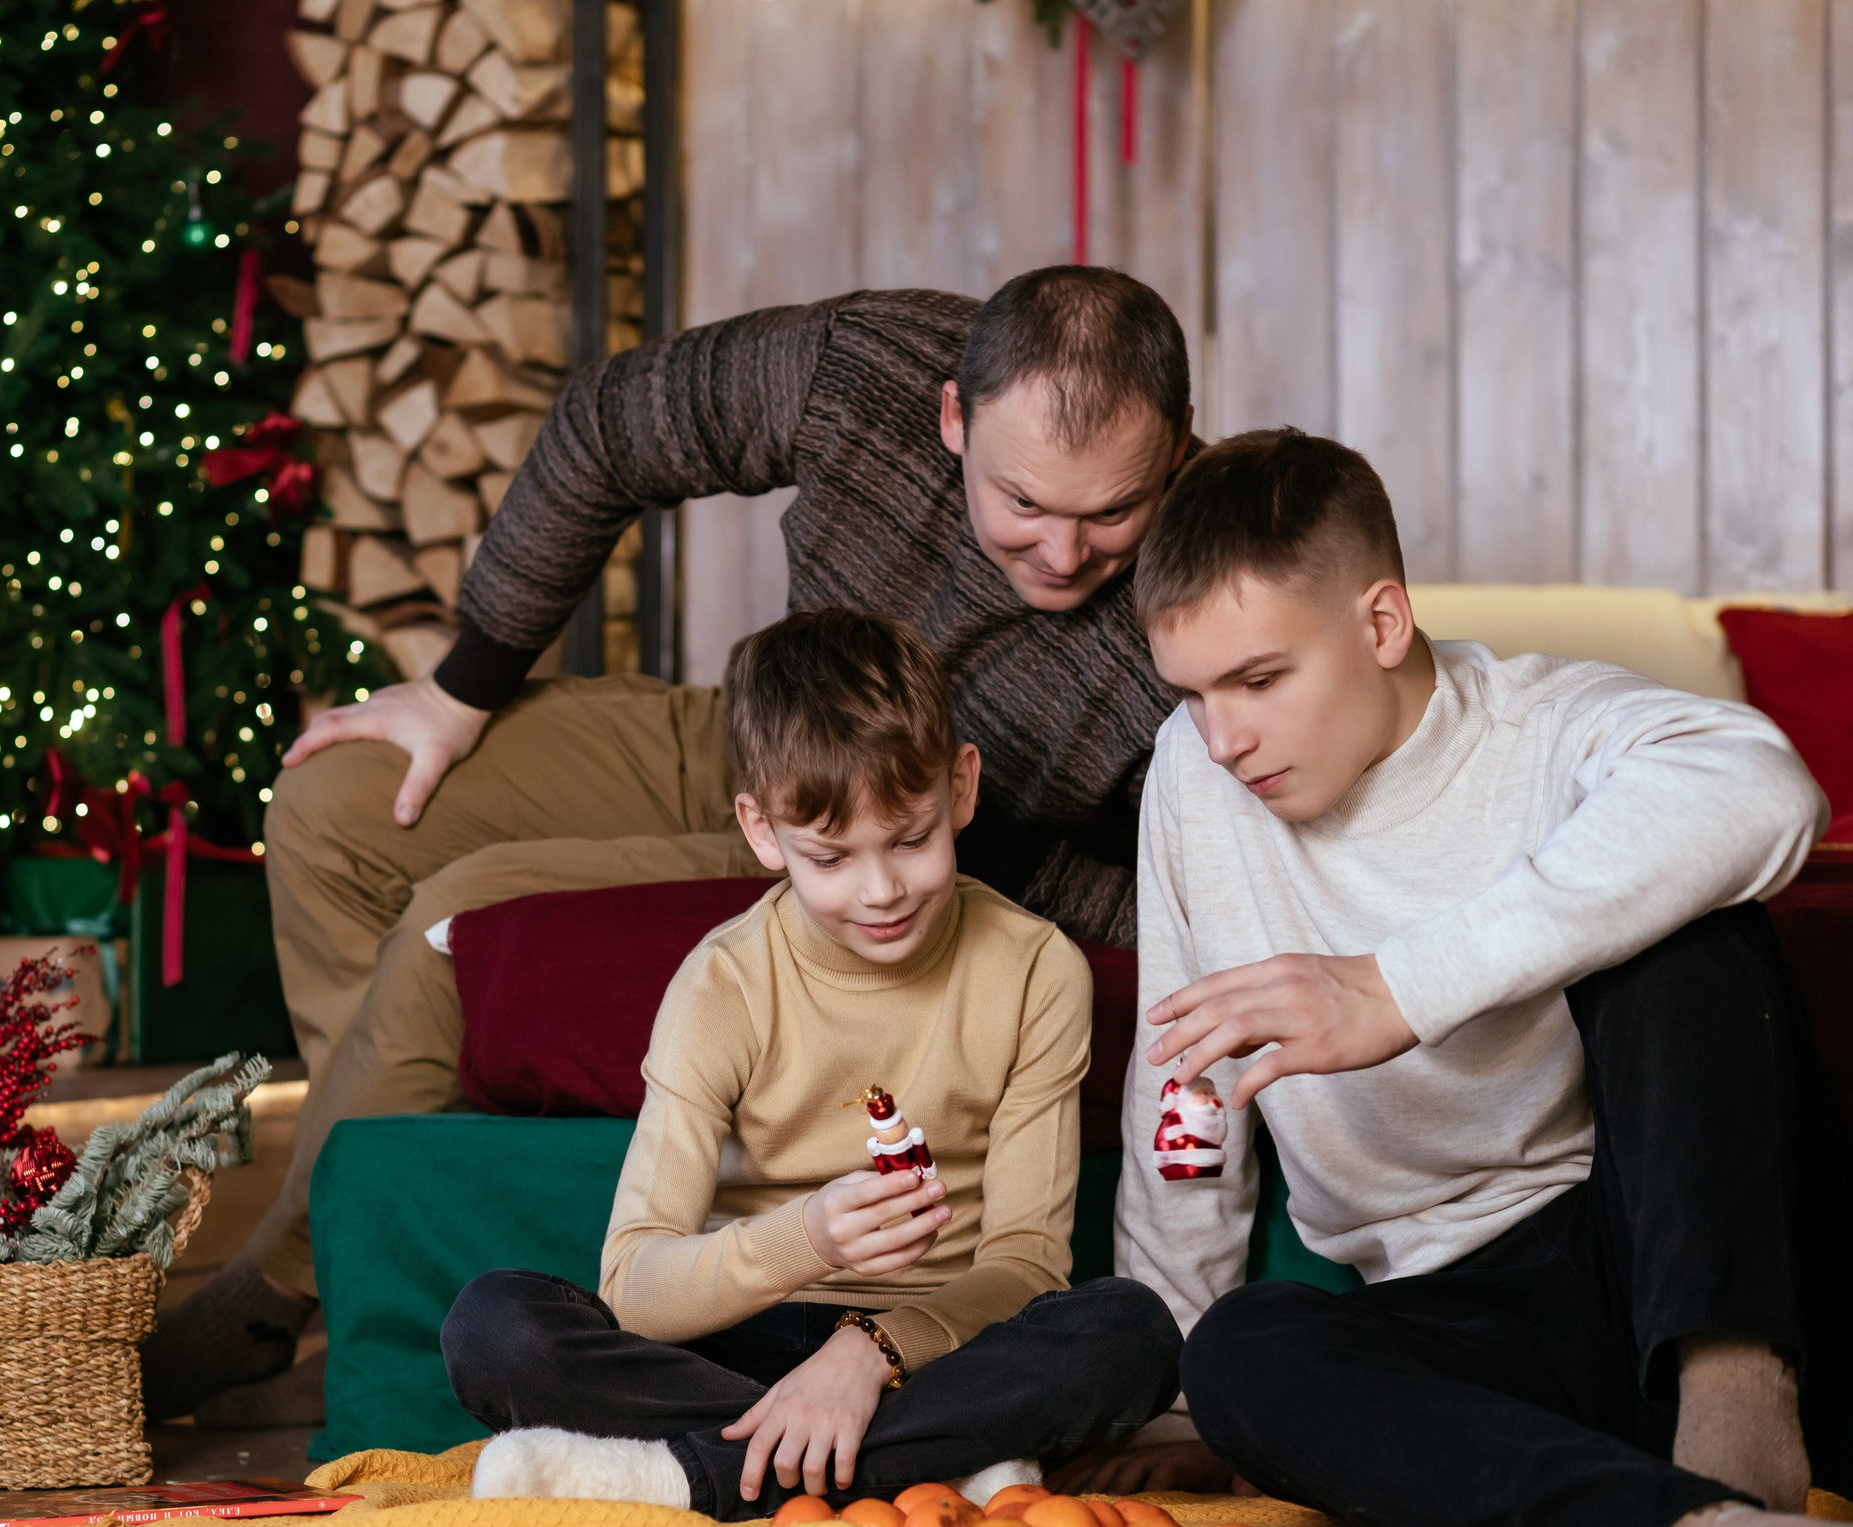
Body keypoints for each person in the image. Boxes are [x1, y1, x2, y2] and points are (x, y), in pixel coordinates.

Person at [143, 266, 1203, 1413]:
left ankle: (274, 1291)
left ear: (1178, 454)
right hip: (757, 740)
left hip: (866, 845)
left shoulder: (1201, 581)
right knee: (336, 802)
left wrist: (1002, 862)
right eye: (1025, 503)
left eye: (1110, 512)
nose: (1062, 553)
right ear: (951, 417)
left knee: (461, 916)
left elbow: (1184, 884)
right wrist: (462, 688)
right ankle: (368, 1232)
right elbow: (608, 425)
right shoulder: (861, 368)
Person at [1113, 428, 1853, 1527]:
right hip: (1471, 1325)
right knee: (1239, 1358)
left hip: (1679, 1261)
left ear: (1380, 622)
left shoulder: (1542, 724)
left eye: (1260, 680)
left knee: (1687, 927)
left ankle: (1736, 1414)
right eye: (1191, 693)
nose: (1224, 740)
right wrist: (1168, 1373)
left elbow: (1766, 793)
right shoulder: (1195, 776)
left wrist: (1397, 988)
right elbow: (1186, 1074)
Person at [439, 611, 1182, 1517]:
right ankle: (921, 1467)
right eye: (829, 858)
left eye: (910, 839)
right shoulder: (724, 983)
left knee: (1132, 1331)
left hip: (933, 1351)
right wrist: (811, 1239)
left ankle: (687, 1475)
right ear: (762, 830)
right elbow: (632, 1289)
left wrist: (870, 1350)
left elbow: (1026, 1264)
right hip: (742, 1342)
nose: (880, 891)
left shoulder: (1034, 969)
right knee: (496, 1327)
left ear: (961, 787)